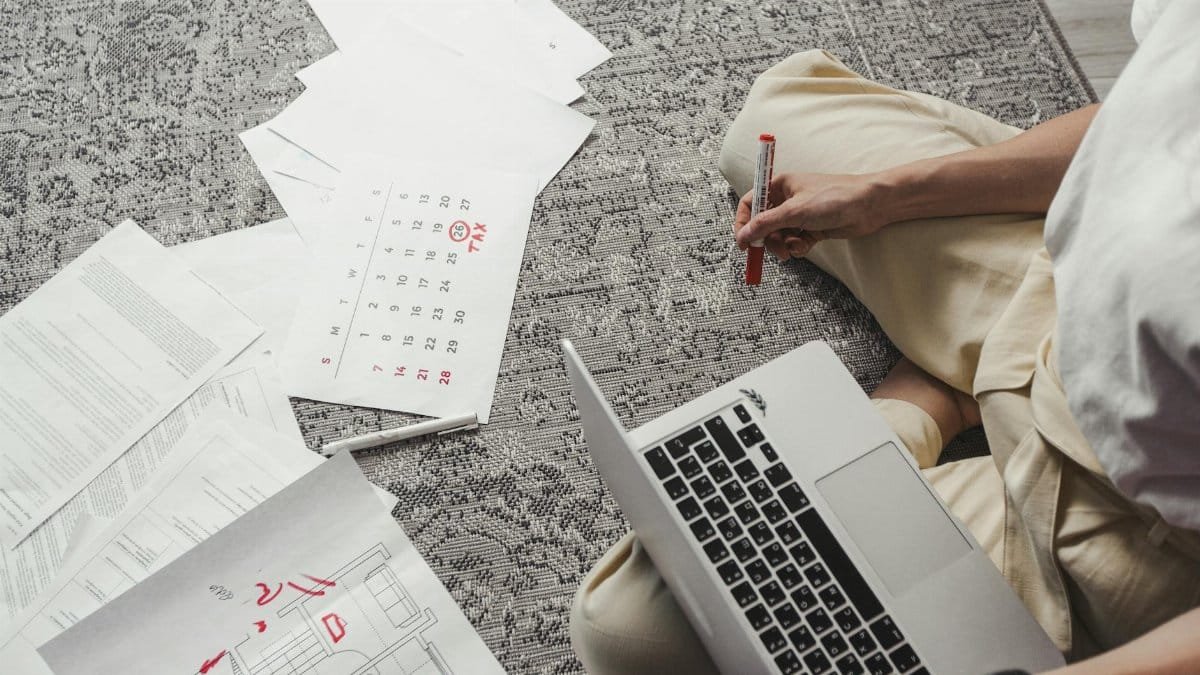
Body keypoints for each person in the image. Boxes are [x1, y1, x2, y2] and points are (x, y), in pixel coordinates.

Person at [569, 0, 1200, 672]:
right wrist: (884, 194)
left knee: (626, 625)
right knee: (776, 124)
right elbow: (1144, 121)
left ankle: (923, 405)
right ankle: (946, 393)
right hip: (1054, 299)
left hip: (1123, 530)